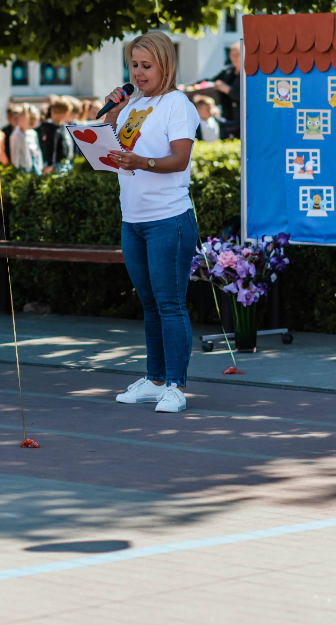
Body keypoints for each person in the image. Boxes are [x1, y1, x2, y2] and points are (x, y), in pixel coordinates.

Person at [103, 30, 200, 413]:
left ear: (165, 65)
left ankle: (176, 385)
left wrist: (142, 162)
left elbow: (180, 159)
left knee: (170, 303)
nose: (138, 73)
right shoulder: (130, 105)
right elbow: (112, 148)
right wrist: (111, 112)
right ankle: (155, 378)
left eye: (146, 66)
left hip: (168, 219)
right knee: (149, 304)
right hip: (134, 220)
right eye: (133, 65)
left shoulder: (178, 104)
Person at [37, 97, 74, 172]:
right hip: (55, 165)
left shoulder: (62, 126)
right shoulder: (50, 128)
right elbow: (50, 147)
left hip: (64, 162)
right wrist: (50, 164)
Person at [8, 104, 43, 174]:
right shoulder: (16, 135)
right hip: (23, 169)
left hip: (35, 167)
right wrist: (15, 170)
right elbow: (15, 155)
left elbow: (38, 151)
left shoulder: (33, 133)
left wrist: (40, 166)